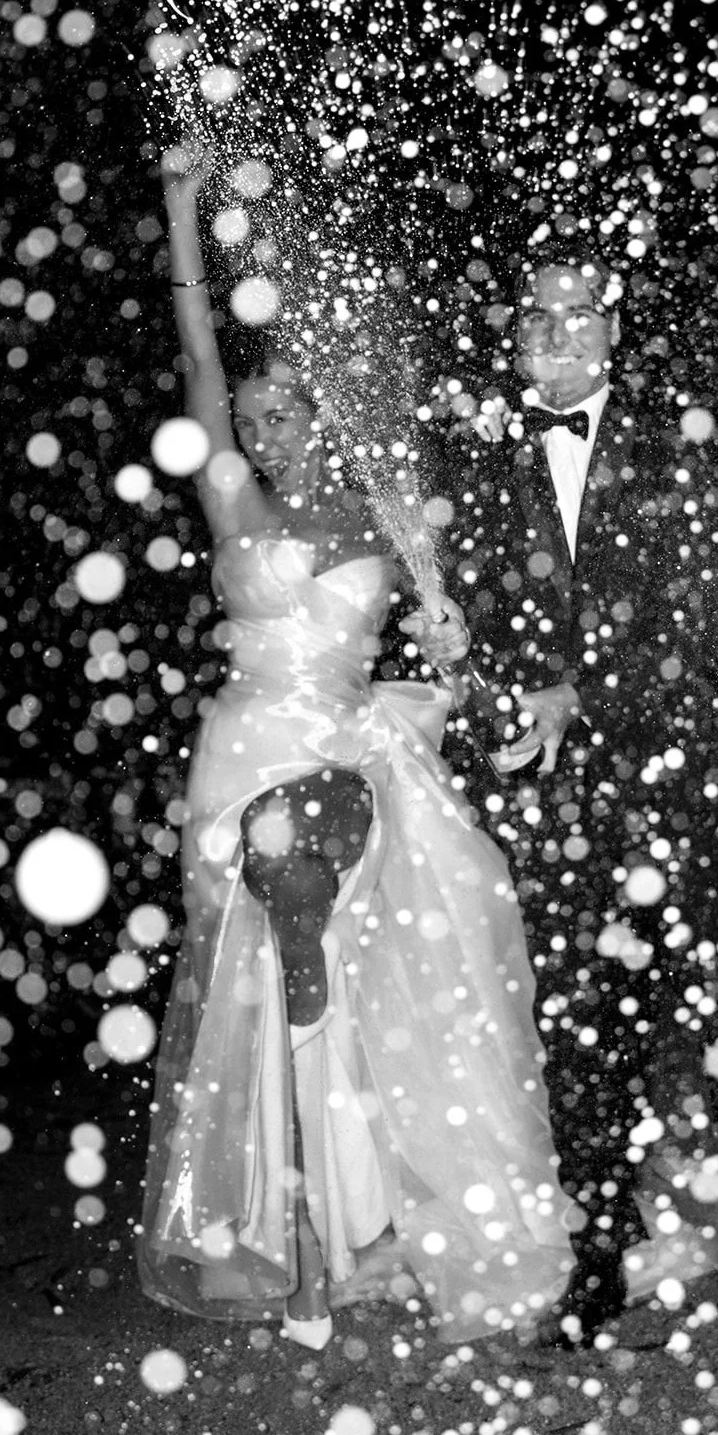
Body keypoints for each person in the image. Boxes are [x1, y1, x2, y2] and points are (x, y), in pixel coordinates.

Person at [136, 143, 576, 1349]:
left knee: (361, 968)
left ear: (325, 412)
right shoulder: (231, 492)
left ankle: (364, 1227)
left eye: (289, 410)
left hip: (347, 754)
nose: (267, 430)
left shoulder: (385, 504)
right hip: (240, 761)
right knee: (265, 992)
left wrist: (475, 659)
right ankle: (303, 1242)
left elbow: (443, 637)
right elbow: (198, 355)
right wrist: (186, 209)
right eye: (257, 414)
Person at [416, 238, 718, 1346]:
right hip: (572, 799)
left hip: (693, 778)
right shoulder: (481, 461)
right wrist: (467, 649)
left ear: (611, 326)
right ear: (512, 337)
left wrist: (575, 688)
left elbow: (695, 607)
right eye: (536, 319)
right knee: (590, 1028)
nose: (557, 334)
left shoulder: (683, 439)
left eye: (578, 313)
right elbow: (500, 626)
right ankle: (598, 1260)